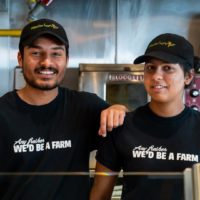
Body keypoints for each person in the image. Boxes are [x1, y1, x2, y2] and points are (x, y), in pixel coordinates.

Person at [0, 18, 127, 200]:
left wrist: (118, 108)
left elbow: (126, 130)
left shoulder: (85, 107)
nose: (46, 62)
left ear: (66, 59)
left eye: (56, 54)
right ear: (20, 58)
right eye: (36, 53)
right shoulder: (3, 114)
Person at [90, 33, 200, 200]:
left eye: (167, 68)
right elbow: (99, 196)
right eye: (150, 67)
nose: (156, 76)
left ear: (188, 76)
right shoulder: (122, 126)